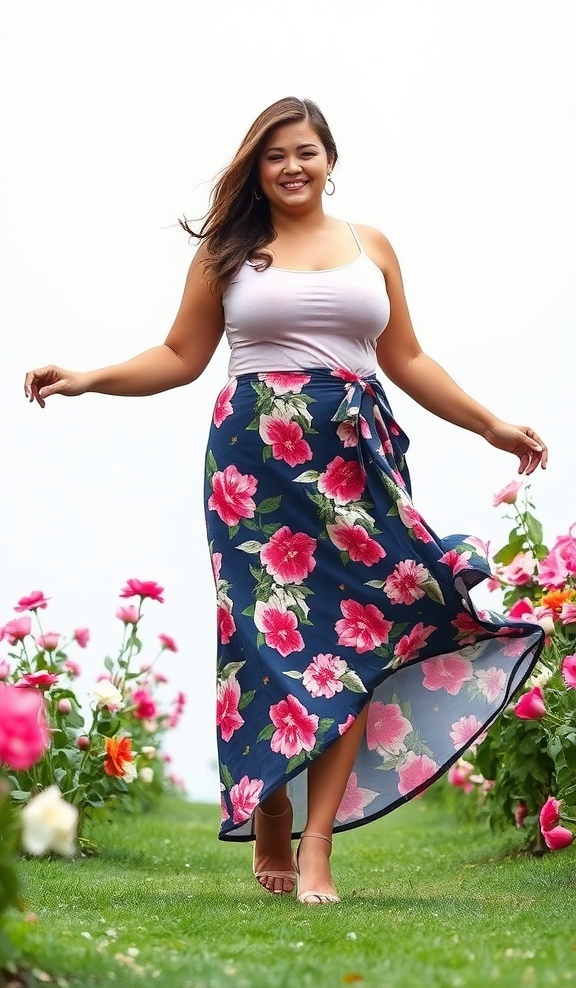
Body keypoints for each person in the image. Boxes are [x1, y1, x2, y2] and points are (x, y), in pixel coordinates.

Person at [25, 96, 547, 906]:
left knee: (355, 634)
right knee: (268, 644)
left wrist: (490, 424)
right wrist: (90, 378)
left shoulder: (370, 246)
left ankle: (315, 847)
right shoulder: (229, 252)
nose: (293, 167)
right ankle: (271, 803)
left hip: (353, 458)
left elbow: (405, 357)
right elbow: (177, 355)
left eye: (306, 151)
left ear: (330, 158)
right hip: (254, 465)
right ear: (256, 169)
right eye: (275, 156)